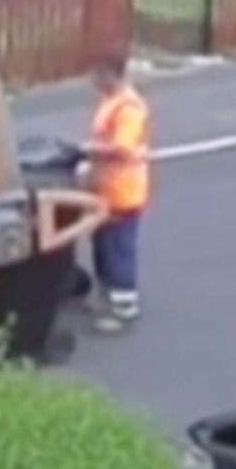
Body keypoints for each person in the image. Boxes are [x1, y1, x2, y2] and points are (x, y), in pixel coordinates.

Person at [82, 54, 151, 332]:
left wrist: (90, 150)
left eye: (96, 75)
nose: (92, 81)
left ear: (110, 73)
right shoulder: (110, 102)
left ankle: (124, 306)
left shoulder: (128, 108)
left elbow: (122, 147)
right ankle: (108, 296)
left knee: (118, 248)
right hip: (106, 191)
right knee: (102, 245)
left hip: (123, 192)